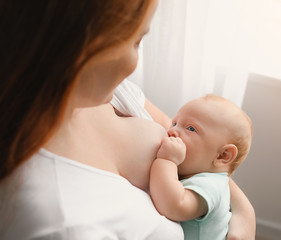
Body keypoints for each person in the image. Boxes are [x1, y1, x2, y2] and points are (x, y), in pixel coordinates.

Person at [0, 0, 255, 239]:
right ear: (87, 48)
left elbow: (199, 149)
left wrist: (243, 208)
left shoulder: (110, 92)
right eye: (137, 42)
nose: (175, 130)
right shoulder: (63, 222)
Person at [150, 94, 253, 240]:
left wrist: (167, 161)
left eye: (191, 128)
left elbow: (173, 206)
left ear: (222, 155)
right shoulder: (199, 175)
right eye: (174, 123)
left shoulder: (210, 185)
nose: (172, 131)